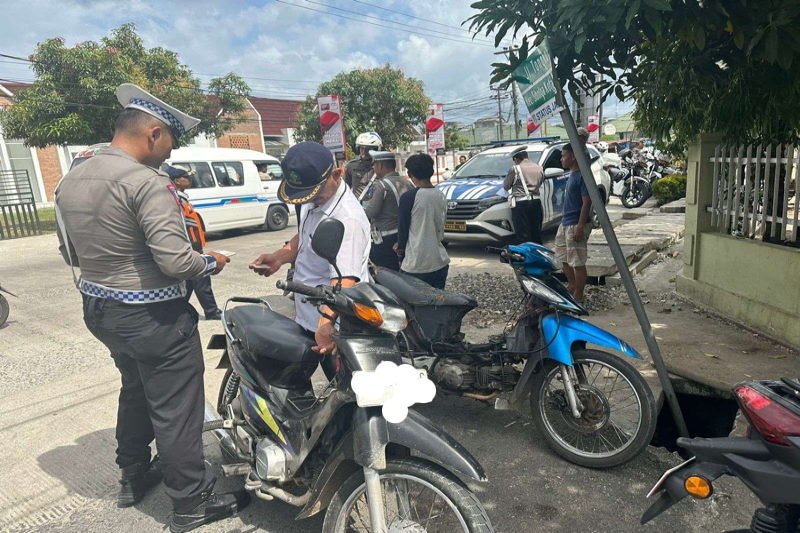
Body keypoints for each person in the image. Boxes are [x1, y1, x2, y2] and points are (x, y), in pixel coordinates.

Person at [54, 83, 247, 533]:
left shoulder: (73, 176)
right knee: (177, 406)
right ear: (153, 133)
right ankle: (191, 501)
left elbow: (69, 252)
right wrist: (213, 262)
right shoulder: (146, 182)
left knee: (135, 389)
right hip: (154, 317)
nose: (169, 154)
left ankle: (133, 473)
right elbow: (176, 261)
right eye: (170, 143)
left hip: (100, 308)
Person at [249, 141, 370, 359]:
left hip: (336, 323)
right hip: (308, 313)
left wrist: (326, 325)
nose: (311, 200)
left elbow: (344, 282)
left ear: (337, 173)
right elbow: (305, 236)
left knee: (341, 389)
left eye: (316, 194)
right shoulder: (313, 196)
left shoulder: (347, 219)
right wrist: (279, 257)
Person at [165, 165, 222, 320]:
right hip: (191, 248)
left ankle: (179, 309)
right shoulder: (176, 200)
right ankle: (211, 311)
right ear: (177, 180)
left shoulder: (182, 198)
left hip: (194, 246)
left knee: (189, 283)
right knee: (202, 278)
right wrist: (190, 249)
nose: (190, 180)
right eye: (186, 177)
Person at [395, 153, 450, 289]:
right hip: (439, 261)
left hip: (416, 264)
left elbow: (403, 230)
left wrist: (400, 252)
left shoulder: (409, 197)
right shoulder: (440, 195)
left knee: (413, 306)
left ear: (411, 173)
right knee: (437, 304)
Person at [555, 143, 592, 304]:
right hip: (565, 223)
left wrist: (580, 225)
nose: (561, 159)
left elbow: (587, 202)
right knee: (562, 257)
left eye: (564, 155)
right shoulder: (571, 175)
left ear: (573, 156)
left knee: (577, 262)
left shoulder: (582, 176)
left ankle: (579, 295)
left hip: (574, 224)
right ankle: (572, 285)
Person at [364, 151, 412, 271]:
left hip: (386, 239)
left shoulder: (381, 185)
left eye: (374, 166)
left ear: (380, 165)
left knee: (385, 274)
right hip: (405, 235)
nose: (374, 169)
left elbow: (371, 212)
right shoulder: (407, 183)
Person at [503, 147, 544, 245]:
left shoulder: (515, 169)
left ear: (516, 159)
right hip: (536, 202)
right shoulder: (539, 167)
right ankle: (538, 254)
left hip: (521, 203)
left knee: (523, 234)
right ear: (527, 156)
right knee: (535, 231)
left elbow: (506, 185)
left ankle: (527, 256)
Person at [345, 131, 382, 199]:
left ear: (376, 149)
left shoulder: (382, 166)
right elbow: (346, 188)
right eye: (362, 148)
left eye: (368, 149)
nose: (364, 151)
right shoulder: (351, 166)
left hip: (377, 206)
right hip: (357, 206)